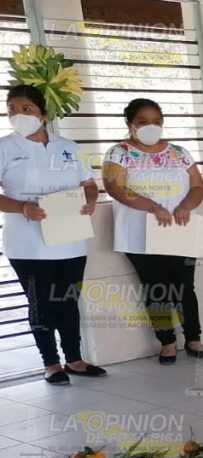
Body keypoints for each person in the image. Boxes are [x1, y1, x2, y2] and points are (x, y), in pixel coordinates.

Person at [0, 85, 104, 384]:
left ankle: (75, 359)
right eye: (12, 111)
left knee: (69, 301)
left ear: (43, 114)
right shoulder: (4, 147)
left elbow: (89, 184)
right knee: (41, 304)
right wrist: (21, 206)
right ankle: (51, 363)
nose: (19, 116)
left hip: (70, 238)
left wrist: (92, 200)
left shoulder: (68, 146)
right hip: (28, 243)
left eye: (27, 109)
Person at [104, 98, 203, 366]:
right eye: (142, 121)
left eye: (156, 121)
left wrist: (186, 205)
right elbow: (116, 188)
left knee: (185, 286)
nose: (150, 126)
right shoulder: (119, 152)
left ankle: (193, 338)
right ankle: (167, 342)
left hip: (178, 230)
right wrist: (152, 206)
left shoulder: (180, 153)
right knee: (157, 289)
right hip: (140, 235)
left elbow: (198, 187)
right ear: (130, 124)